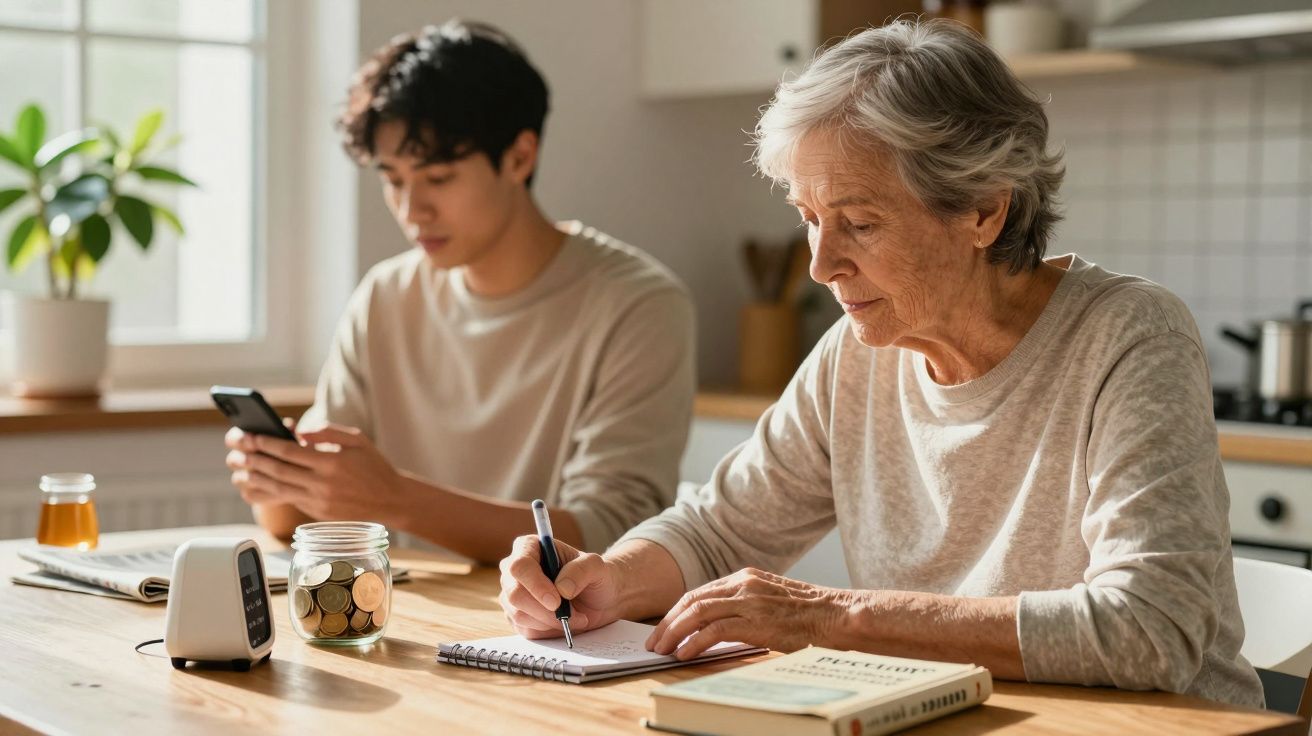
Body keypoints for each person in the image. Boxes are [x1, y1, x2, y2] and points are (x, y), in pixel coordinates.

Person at [498, 19, 1263, 706]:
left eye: (859, 223)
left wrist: (831, 618)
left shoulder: (1128, 336)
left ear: (983, 210)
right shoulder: (857, 356)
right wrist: (612, 579)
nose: (821, 265)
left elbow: (1153, 628)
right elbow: (718, 531)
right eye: (808, 220)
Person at [223, 20, 695, 564]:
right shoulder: (385, 296)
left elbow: (611, 535)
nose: (410, 209)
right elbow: (299, 521)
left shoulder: (639, 305)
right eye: (393, 179)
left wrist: (396, 500)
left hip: (557, 633)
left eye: (439, 178)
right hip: (407, 617)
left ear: (520, 157)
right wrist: (279, 477)